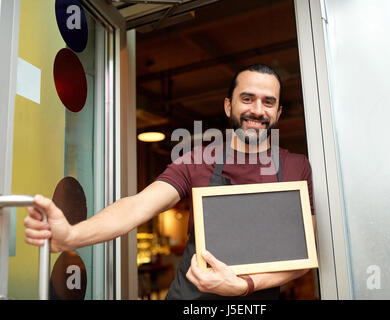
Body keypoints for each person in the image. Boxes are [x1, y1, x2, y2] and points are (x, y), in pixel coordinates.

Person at [24, 64, 315, 300]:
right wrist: (71, 236)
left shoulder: (295, 167)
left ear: (278, 113)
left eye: (269, 102)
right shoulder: (198, 160)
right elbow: (136, 207)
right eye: (247, 99)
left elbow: (305, 254)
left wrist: (245, 285)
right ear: (228, 106)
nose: (257, 110)